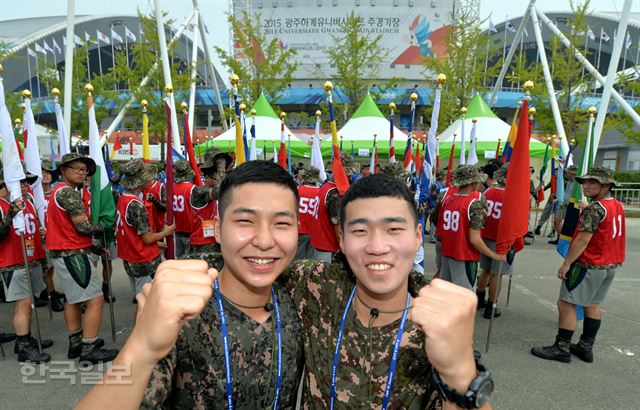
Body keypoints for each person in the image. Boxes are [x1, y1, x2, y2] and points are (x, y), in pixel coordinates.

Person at [77, 161, 304, 408]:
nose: (264, 240)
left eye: (281, 223)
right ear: (217, 228)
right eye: (245, 221)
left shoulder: (305, 294)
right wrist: (142, 347)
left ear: (297, 230)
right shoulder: (182, 313)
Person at [283, 173, 494, 408]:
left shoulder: (438, 322)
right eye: (360, 231)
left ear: (417, 237)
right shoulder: (314, 285)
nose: (377, 247)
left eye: (393, 229)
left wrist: (459, 372)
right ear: (341, 239)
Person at [531, 167, 625, 364]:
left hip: (588, 265)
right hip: (609, 266)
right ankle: (585, 347)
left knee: (566, 303)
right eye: (584, 181)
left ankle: (562, 347)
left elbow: (582, 240)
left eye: (593, 182)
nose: (586, 185)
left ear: (606, 185)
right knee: (592, 305)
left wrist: (566, 263)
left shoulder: (595, 209)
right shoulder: (616, 205)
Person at [45, 153, 118, 364]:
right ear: (64, 170)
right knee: (95, 299)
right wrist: (104, 226)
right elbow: (82, 227)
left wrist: (93, 248)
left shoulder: (58, 191)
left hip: (66, 252)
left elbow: (70, 229)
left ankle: (76, 343)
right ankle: (89, 346)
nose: (81, 173)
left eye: (84, 170)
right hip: (72, 254)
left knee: (73, 300)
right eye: (76, 168)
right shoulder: (68, 193)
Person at [0, 164, 53, 363]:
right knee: (23, 303)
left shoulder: (27, 200)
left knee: (29, 302)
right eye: (20, 181)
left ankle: (25, 337)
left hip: (30, 258)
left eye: (26, 182)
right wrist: (10, 214)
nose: (25, 185)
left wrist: (39, 232)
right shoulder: (3, 204)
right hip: (12, 261)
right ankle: (23, 345)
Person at [439, 166, 506, 290]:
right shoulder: (474, 203)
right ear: (474, 183)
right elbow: (474, 239)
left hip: (447, 253)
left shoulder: (448, 199)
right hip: (464, 256)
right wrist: (494, 255)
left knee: (446, 296)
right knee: (465, 297)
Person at [116, 159, 175, 300]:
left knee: (140, 296)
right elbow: (147, 238)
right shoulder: (136, 205)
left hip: (130, 256)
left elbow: (132, 233)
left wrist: (158, 243)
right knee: (146, 302)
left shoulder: (123, 199)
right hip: (142, 259)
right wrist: (167, 232)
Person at [309, 154, 358, 262]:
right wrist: (345, 248)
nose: (350, 177)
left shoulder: (325, 187)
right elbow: (337, 225)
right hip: (329, 248)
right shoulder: (335, 193)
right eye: (348, 174)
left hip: (319, 243)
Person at [477, 165, 512, 319]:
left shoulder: (489, 190)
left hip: (485, 234)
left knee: (485, 270)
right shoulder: (512, 195)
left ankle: (479, 298)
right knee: (497, 274)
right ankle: (491, 306)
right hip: (501, 238)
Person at [186, 148, 231, 257]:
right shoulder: (198, 192)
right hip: (201, 248)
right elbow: (218, 191)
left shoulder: (217, 195)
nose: (221, 178)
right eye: (217, 175)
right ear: (207, 177)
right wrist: (221, 164)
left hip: (217, 243)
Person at [39, 159, 64, 312]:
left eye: (48, 172)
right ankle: (51, 294)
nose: (46, 175)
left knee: (52, 267)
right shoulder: (32, 196)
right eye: (43, 172)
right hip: (39, 238)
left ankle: (47, 289)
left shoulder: (56, 193)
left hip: (55, 236)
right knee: (46, 268)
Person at [295, 166, 324, 260]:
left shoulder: (297, 190)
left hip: (299, 229)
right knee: (312, 261)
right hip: (315, 231)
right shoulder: (322, 192)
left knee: (297, 260)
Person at [549, 165, 578, 245]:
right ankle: (560, 238)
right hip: (564, 205)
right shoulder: (569, 181)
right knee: (557, 221)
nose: (566, 173)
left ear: (572, 173)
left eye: (568, 172)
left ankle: (564, 240)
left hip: (571, 206)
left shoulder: (577, 183)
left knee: (568, 224)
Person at [172, 160, 196, 257]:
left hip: (177, 230)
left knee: (180, 259)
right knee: (190, 260)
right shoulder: (192, 188)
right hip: (190, 230)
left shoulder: (171, 188)